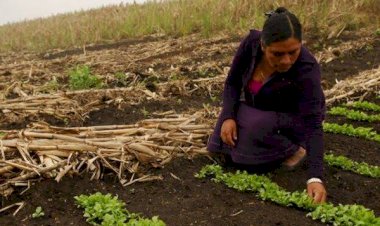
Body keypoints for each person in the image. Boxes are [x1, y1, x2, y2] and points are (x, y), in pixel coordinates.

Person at [207, 7, 327, 204]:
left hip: (293, 119)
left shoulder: (307, 68)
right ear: (263, 45)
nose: (287, 60)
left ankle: (296, 149)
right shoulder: (251, 44)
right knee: (219, 142)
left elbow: (313, 122)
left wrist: (315, 177)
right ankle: (259, 145)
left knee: (255, 128)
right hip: (260, 108)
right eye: (277, 54)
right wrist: (228, 116)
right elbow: (233, 83)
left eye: (293, 52)